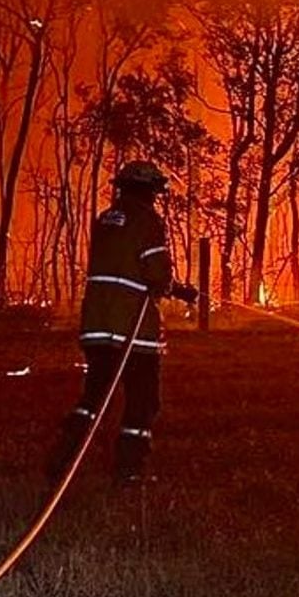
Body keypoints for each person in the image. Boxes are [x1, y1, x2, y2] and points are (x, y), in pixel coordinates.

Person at [47, 160, 199, 484]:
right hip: (132, 327)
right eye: (155, 191)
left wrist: (174, 288)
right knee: (143, 399)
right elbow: (156, 275)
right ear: (147, 190)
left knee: (95, 395)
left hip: (97, 322)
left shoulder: (106, 219)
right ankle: (129, 470)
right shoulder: (147, 220)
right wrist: (178, 289)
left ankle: (64, 453)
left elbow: (122, 266)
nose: (156, 197)